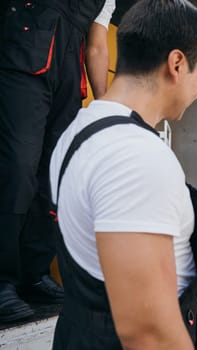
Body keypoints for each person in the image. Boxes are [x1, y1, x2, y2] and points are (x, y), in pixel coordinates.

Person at [48, 0, 197, 349]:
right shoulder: (136, 154)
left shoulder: (78, 132)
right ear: (177, 64)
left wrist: (195, 227)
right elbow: (149, 332)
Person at [0, 0, 114, 323]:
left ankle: (34, 273)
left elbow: (96, 46)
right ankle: (2, 279)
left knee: (54, 175)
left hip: (68, 73)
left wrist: (106, 106)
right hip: (24, 55)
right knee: (17, 168)